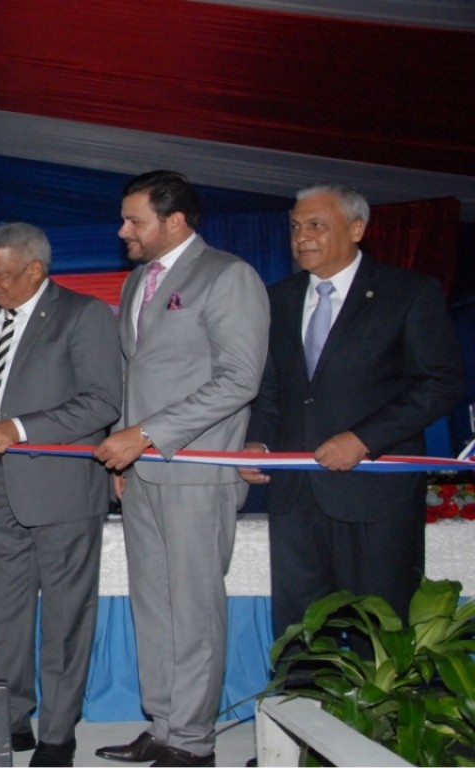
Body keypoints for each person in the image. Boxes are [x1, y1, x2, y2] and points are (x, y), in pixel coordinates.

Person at [94, 171, 268, 768]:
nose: (123, 231)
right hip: (141, 472)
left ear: (176, 221)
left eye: (134, 220)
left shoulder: (228, 276)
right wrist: (126, 451)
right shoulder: (137, 282)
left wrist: (145, 435)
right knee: (156, 607)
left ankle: (193, 743)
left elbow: (240, 379)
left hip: (195, 469)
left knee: (193, 610)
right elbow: (132, 373)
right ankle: (165, 724)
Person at [241, 183, 464, 641]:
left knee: (379, 630)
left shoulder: (408, 293)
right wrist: (255, 443)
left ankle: (374, 715)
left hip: (374, 495)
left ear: (356, 228)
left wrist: (363, 439)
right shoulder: (277, 298)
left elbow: (442, 382)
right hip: (295, 496)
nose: (303, 236)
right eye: (296, 226)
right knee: (301, 633)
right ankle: (299, 709)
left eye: (317, 225)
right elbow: (271, 389)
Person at [0, 223, 122, 767]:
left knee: (65, 618)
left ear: (35, 270)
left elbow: (103, 402)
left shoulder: (85, 314)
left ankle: (58, 735)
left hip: (62, 490)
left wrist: (21, 428)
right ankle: (11, 720)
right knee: (5, 618)